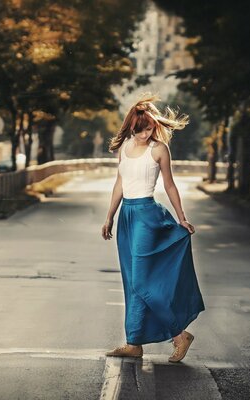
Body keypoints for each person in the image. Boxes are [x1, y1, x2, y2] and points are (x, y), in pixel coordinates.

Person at [101, 93, 205, 363]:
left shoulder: (159, 149)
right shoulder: (124, 146)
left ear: (154, 125)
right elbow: (119, 184)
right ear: (131, 127)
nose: (144, 134)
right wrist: (109, 217)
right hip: (126, 217)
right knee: (131, 281)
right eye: (139, 130)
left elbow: (169, 185)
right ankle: (134, 342)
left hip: (147, 215)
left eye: (148, 128)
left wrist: (182, 217)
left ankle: (179, 334)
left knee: (141, 281)